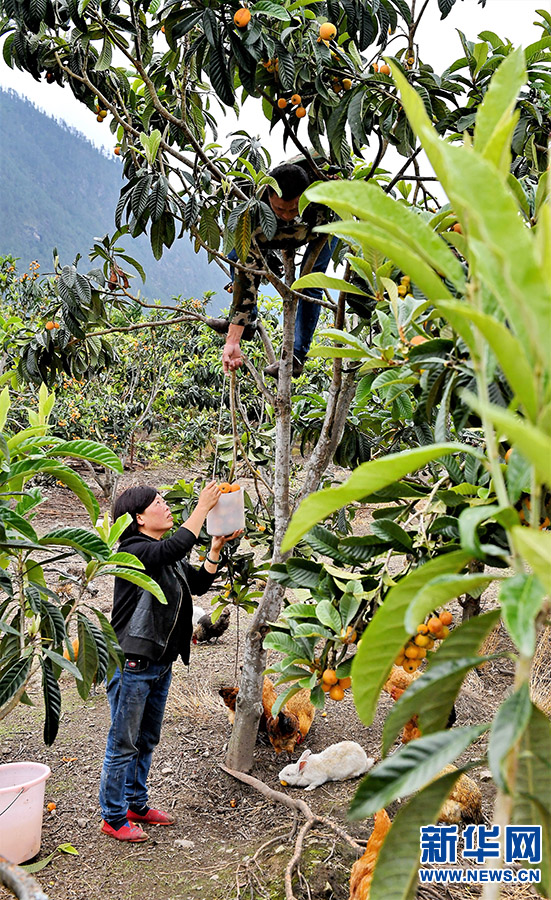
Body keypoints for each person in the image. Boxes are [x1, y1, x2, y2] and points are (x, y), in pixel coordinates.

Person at [99, 482, 241, 842]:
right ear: (139, 518)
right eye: (158, 503)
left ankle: (136, 803)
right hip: (133, 661)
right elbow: (178, 543)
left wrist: (214, 548)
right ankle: (113, 817)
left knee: (146, 738)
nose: (165, 506)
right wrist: (202, 508)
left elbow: (197, 585)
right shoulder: (131, 550)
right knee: (123, 742)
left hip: (160, 662)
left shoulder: (165, 550)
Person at [215, 163, 336, 379]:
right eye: (280, 209)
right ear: (269, 197)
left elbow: (345, 164)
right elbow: (246, 275)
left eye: (293, 208)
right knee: (236, 256)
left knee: (310, 284)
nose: (287, 215)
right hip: (271, 235)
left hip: (319, 229)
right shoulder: (254, 211)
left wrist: (337, 179)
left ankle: (296, 357)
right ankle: (249, 322)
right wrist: (233, 339)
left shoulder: (322, 184)